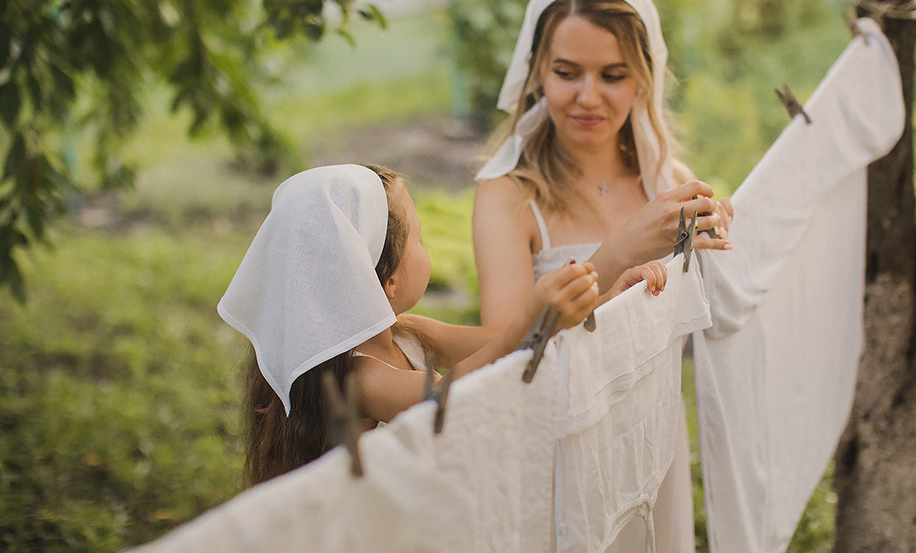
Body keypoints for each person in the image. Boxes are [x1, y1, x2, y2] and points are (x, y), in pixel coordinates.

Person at [219, 163, 665, 485]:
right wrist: (536, 315)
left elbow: (491, 345)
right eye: (419, 238)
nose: (425, 247)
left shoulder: (405, 332)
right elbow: (452, 396)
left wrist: (604, 303)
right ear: (388, 280)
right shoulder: (359, 378)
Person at [473, 0, 735, 329]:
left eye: (612, 76)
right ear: (537, 73)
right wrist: (623, 250)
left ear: (643, 78)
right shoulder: (506, 199)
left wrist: (722, 252)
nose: (588, 97)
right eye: (567, 73)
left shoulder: (670, 185)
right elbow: (504, 355)